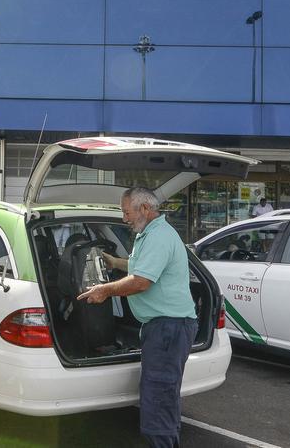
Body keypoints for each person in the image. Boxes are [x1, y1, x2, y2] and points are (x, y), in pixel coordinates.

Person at [80, 187, 197, 448]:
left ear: (145, 208)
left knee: (158, 398)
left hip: (169, 328)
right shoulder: (150, 234)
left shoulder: (158, 237)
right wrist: (115, 263)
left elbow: (142, 281)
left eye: (126, 212)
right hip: (165, 326)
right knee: (164, 396)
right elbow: (140, 267)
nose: (124, 219)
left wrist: (105, 290)